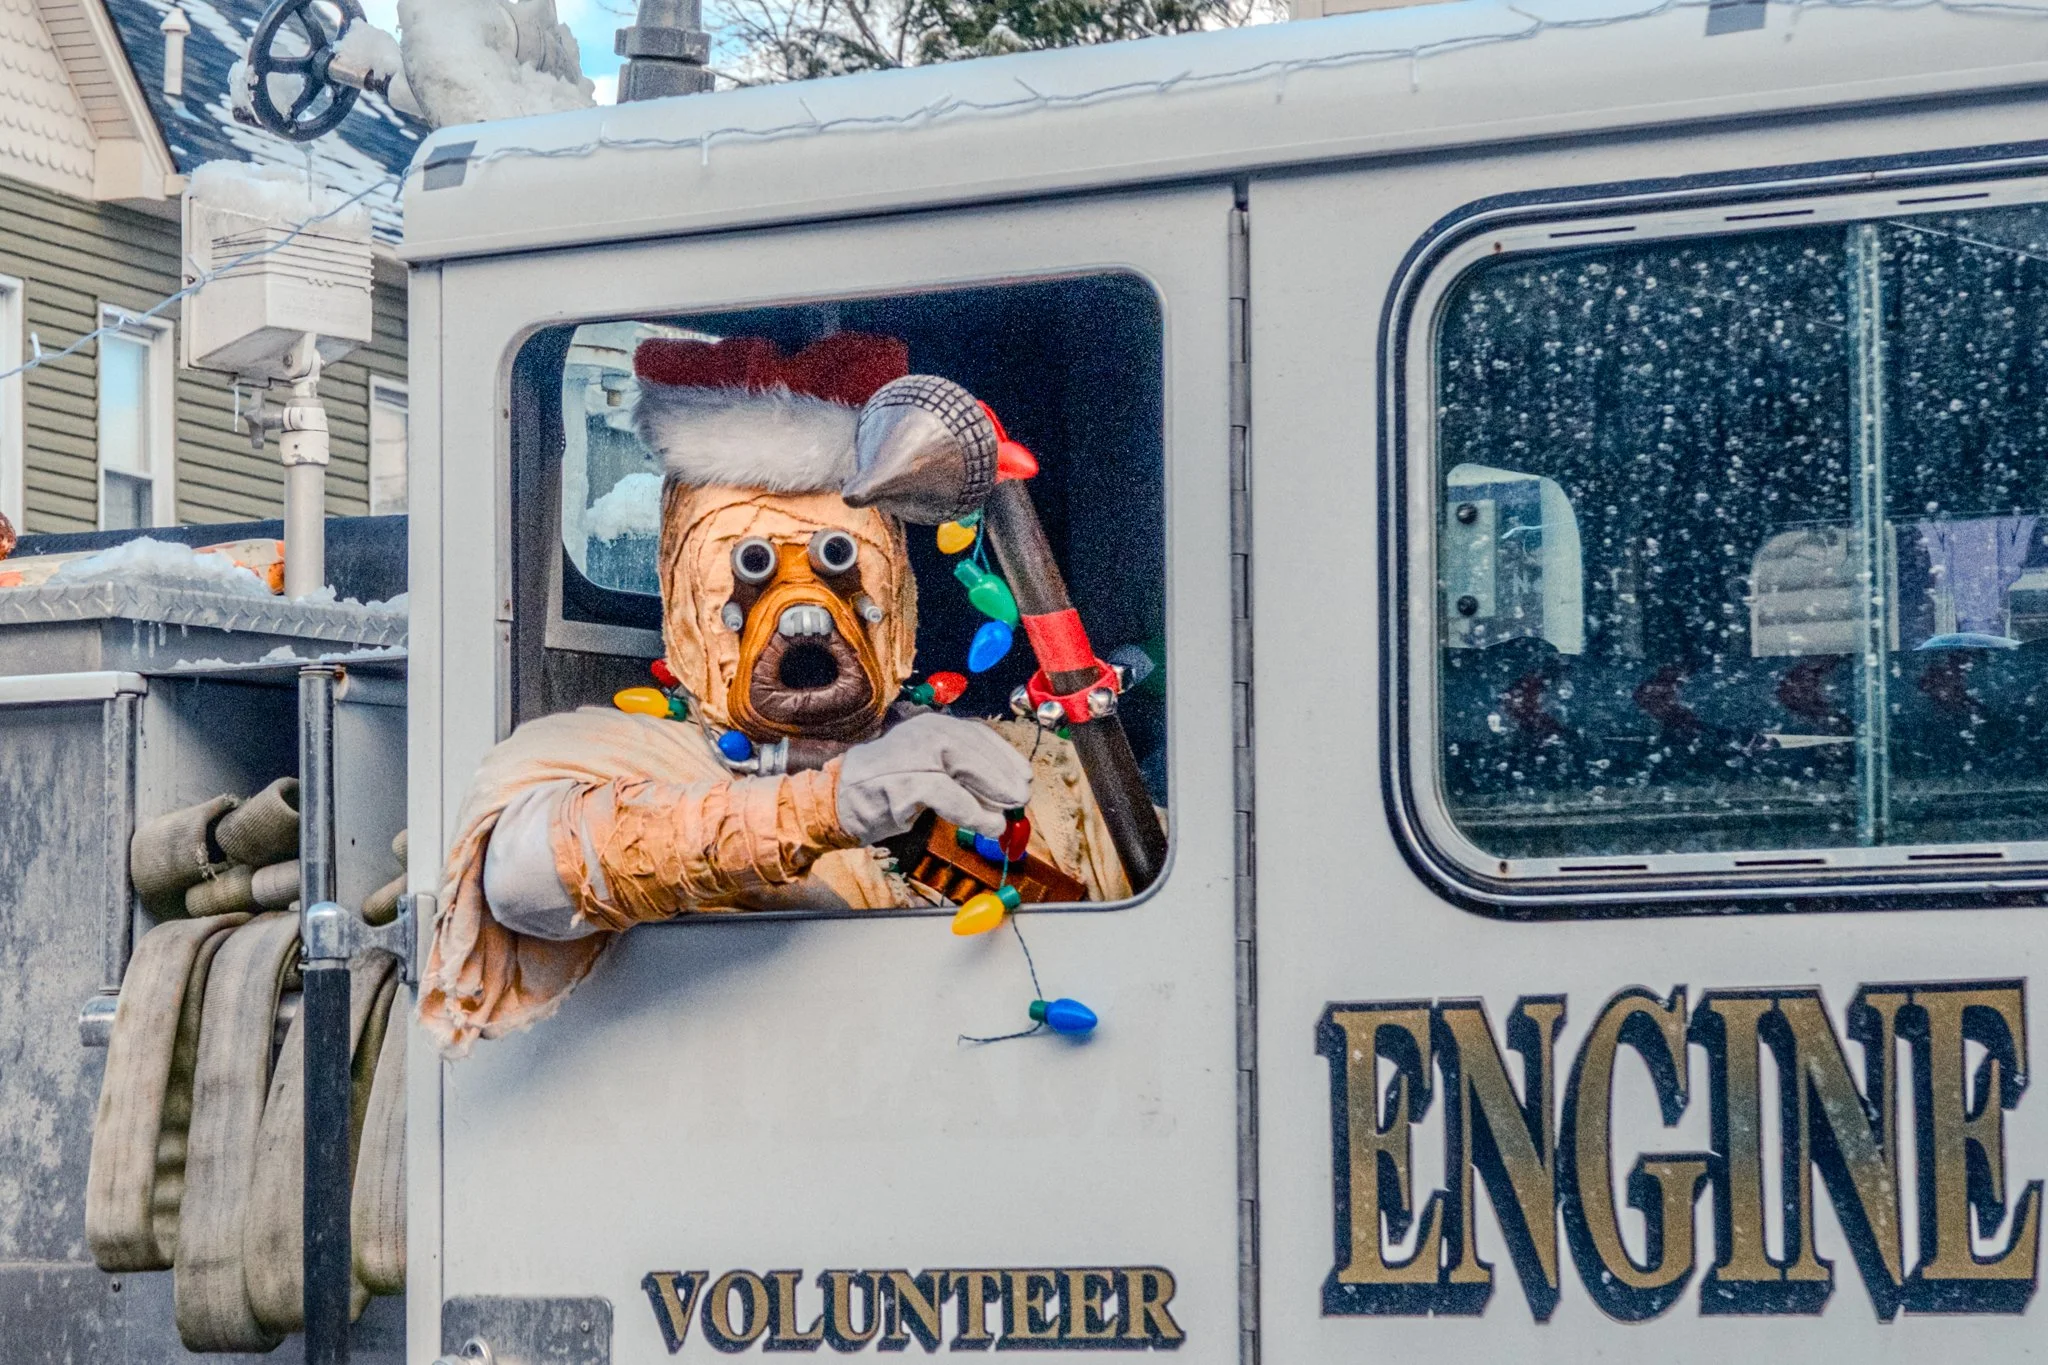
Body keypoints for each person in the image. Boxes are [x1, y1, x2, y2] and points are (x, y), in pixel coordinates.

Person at [419, 333, 1133, 1055]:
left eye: (838, 560)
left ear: (900, 593)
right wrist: (825, 806)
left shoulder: (1017, 765)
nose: (804, 608)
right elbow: (523, 877)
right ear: (687, 604)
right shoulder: (622, 755)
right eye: (750, 564)